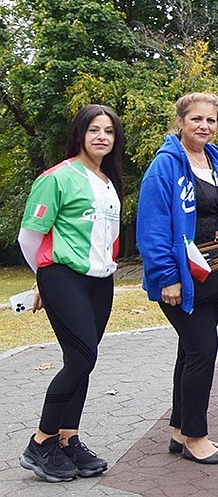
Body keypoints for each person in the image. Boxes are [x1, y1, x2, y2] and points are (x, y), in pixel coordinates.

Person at [17, 105, 124, 482]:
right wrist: (42, 278)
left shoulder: (108, 180)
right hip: (63, 276)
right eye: (94, 130)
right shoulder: (56, 178)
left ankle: (68, 438)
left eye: (108, 132)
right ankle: (41, 441)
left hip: (100, 280)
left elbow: (107, 238)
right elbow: (29, 236)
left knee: (85, 360)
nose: (101, 137)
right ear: (79, 133)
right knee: (80, 358)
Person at [136, 93, 218, 465]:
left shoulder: (216, 161)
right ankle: (197, 437)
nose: (204, 126)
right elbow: (151, 228)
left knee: (189, 351)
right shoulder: (164, 166)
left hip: (212, 274)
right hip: (181, 277)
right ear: (180, 121)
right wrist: (167, 277)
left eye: (211, 121)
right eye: (196, 119)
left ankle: (180, 431)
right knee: (203, 351)